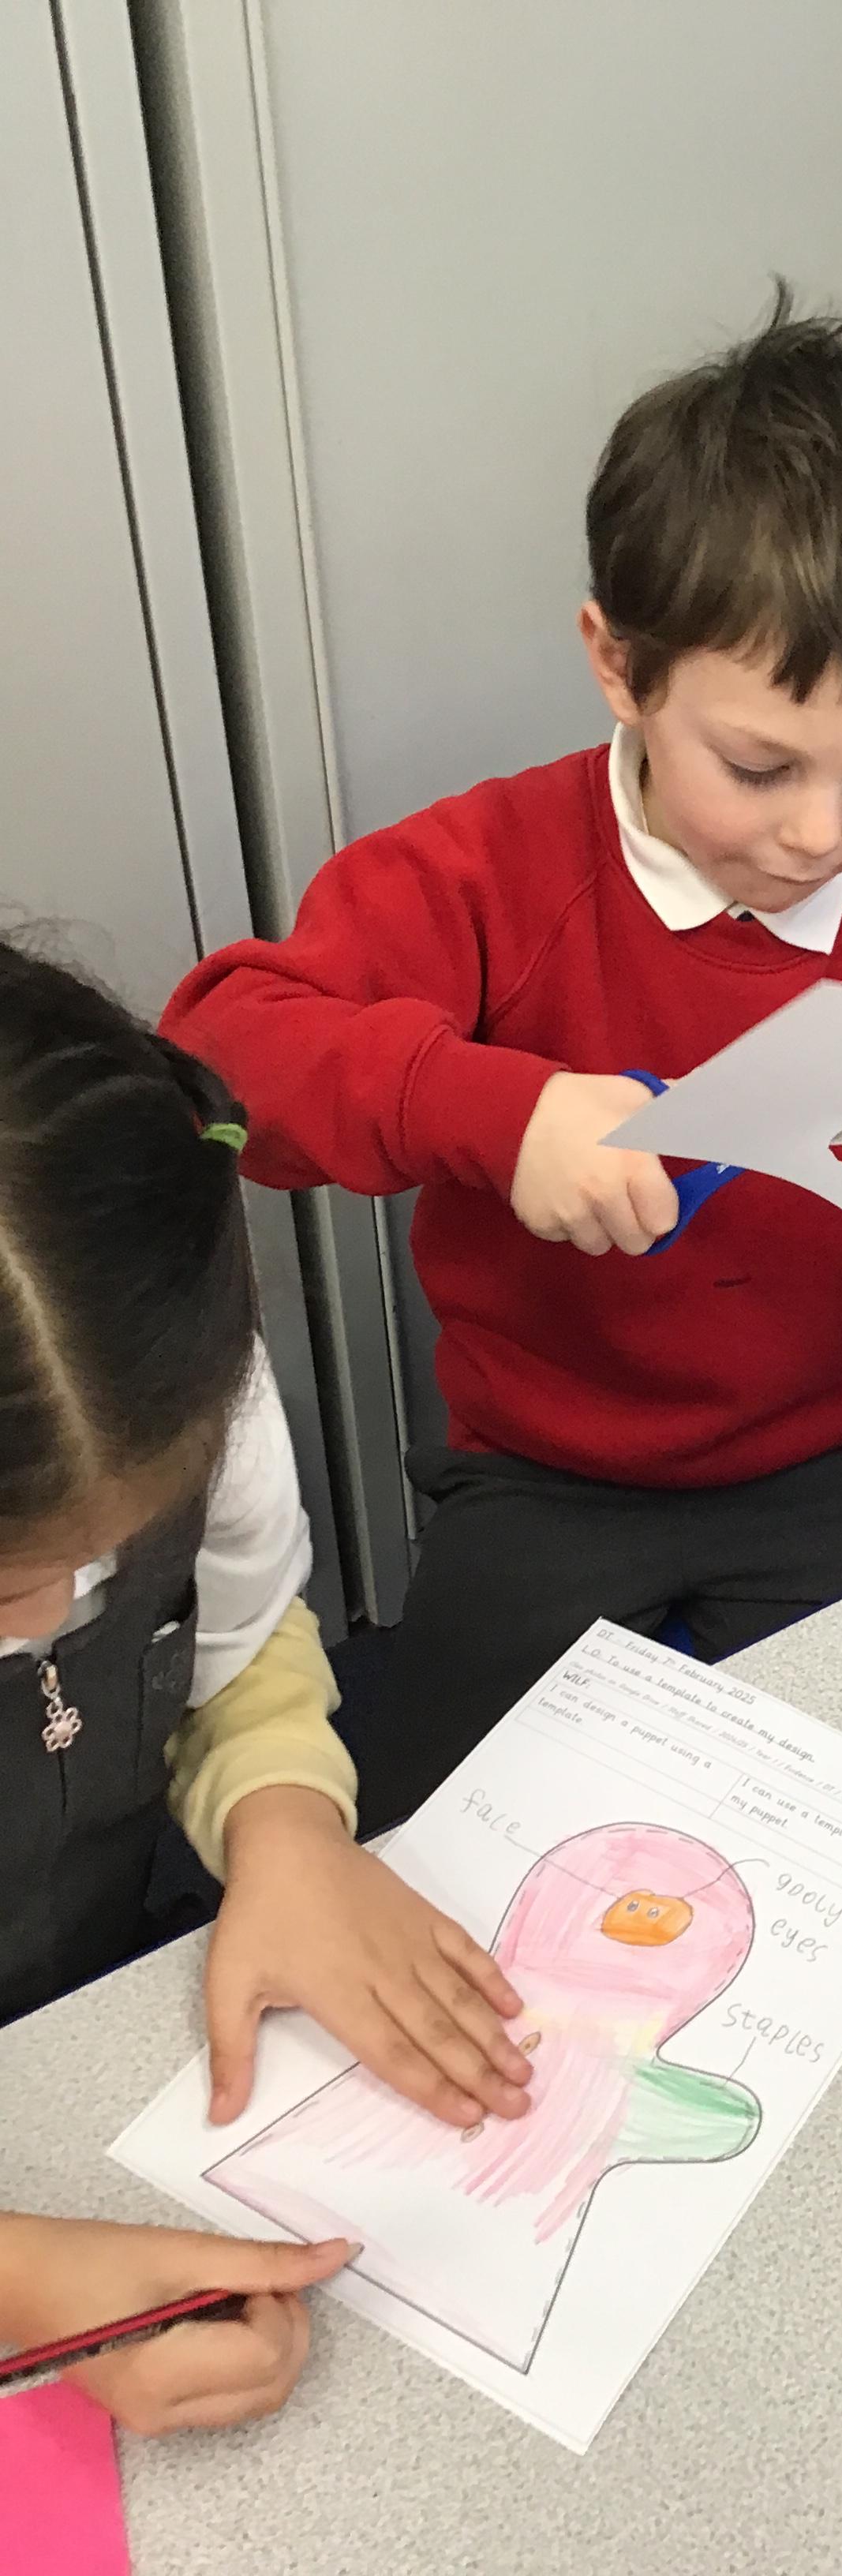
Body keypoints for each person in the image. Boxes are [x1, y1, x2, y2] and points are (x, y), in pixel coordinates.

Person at [163, 286, 842, 1832]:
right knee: (437, 1849)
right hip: (546, 1473)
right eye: (758, 765)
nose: (819, 834)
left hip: (830, 1463)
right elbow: (214, 1066)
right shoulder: (491, 870)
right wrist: (497, 1110)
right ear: (620, 664)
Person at [0, 938, 535, 2434]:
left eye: (103, 1557)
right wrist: (22, 2281)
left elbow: (237, 1644)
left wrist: (287, 1823)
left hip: (99, 2015)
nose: (53, 1617)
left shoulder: (174, 1389)